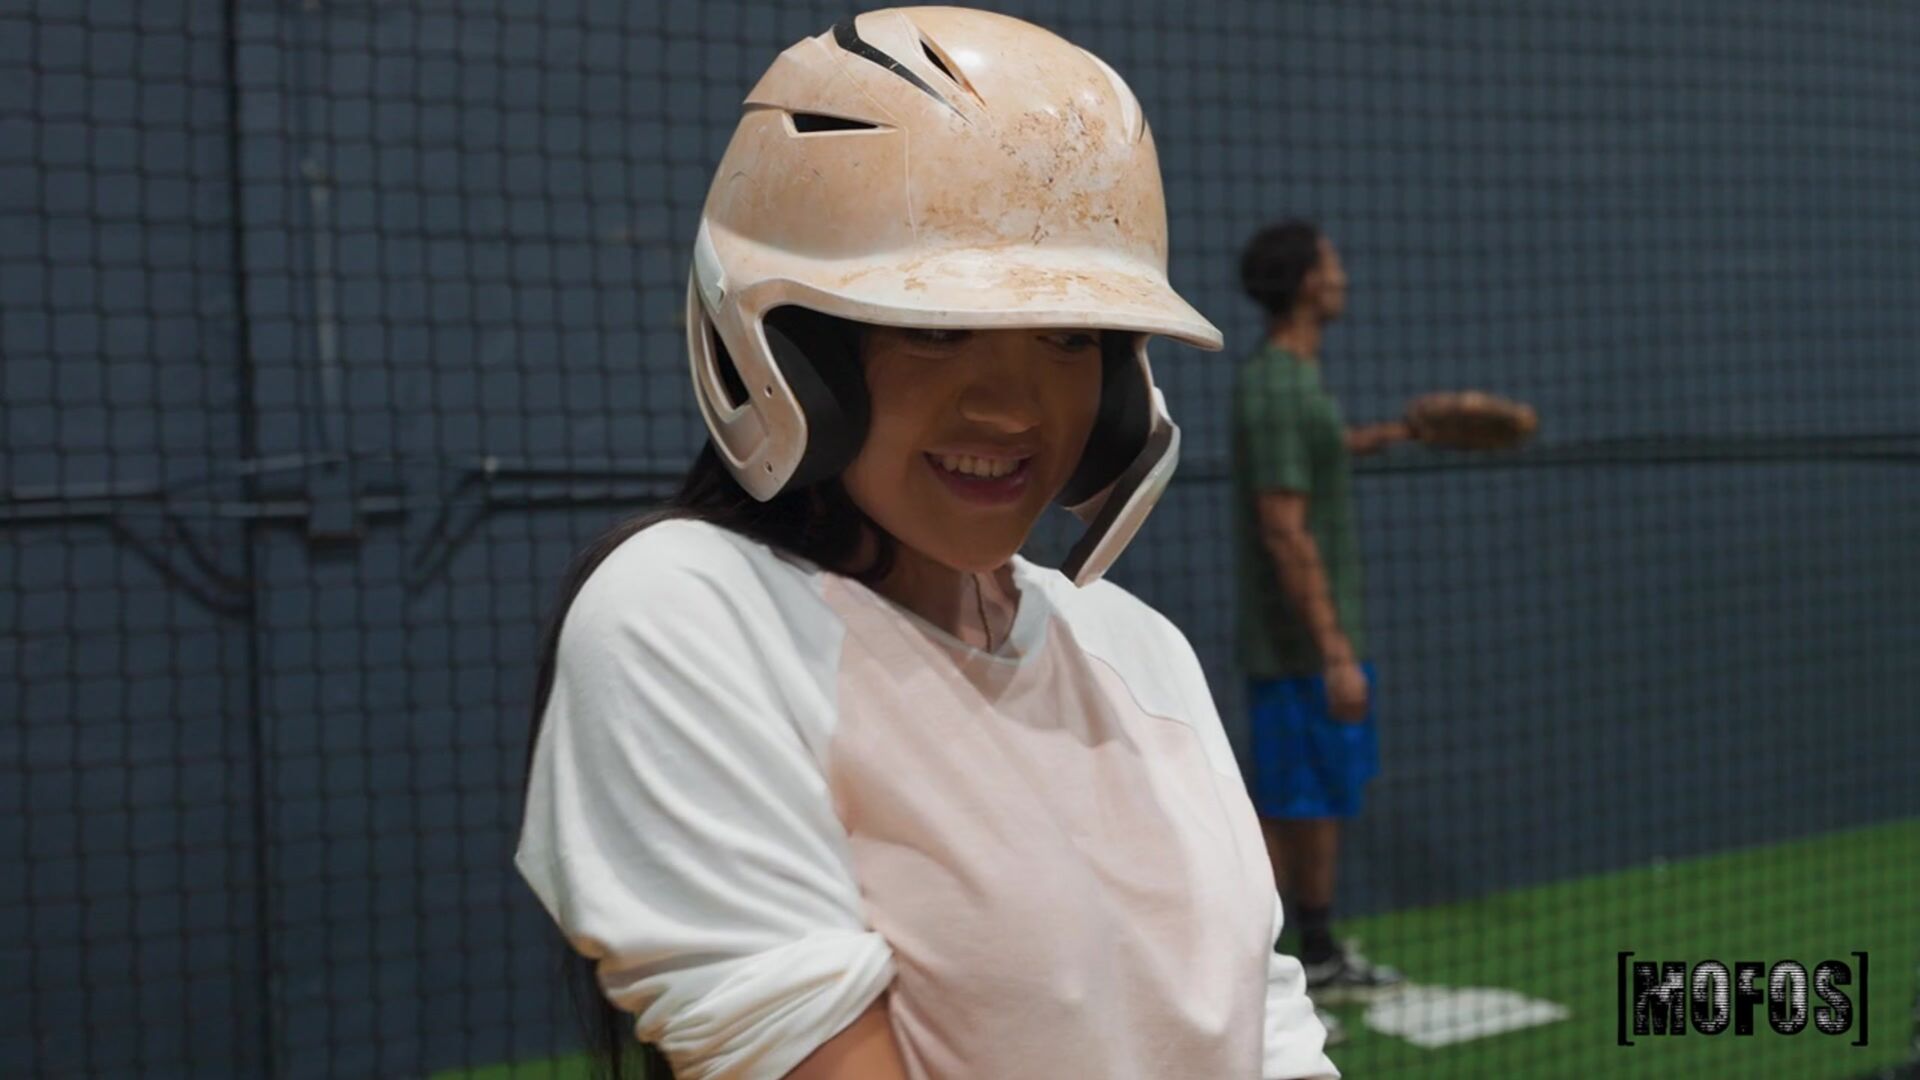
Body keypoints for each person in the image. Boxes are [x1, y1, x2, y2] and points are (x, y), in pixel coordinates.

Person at [516, 9, 1337, 1080]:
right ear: (798, 342)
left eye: (1067, 337)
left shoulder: (1138, 649)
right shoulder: (689, 613)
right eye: (934, 327)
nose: (1013, 407)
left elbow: (1266, 1028)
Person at [1232, 221, 1411, 1023]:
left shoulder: (1298, 384)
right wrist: (1334, 651)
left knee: (1320, 804)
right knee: (1285, 808)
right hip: (1298, 649)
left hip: (1319, 646)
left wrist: (1397, 434)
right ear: (1307, 282)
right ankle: (1249, 978)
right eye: (1333, 263)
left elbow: (1315, 455)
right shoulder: (1276, 387)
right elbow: (1282, 525)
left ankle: (1322, 955)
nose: (1343, 276)